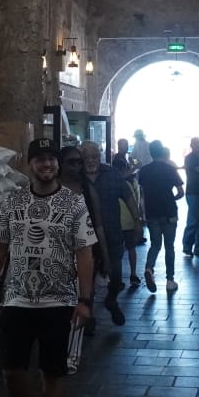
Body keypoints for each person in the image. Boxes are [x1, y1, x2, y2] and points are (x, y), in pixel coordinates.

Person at [0, 139, 97, 397]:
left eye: (51, 159)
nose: (47, 164)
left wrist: (85, 300)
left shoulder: (73, 203)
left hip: (59, 302)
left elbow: (85, 252)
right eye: (40, 159)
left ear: (57, 165)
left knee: (54, 374)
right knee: (11, 371)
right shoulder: (14, 201)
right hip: (17, 299)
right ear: (29, 164)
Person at [83, 144, 136, 326]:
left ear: (100, 157)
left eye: (94, 157)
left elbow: (128, 196)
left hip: (112, 233)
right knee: (86, 279)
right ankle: (88, 316)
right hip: (84, 238)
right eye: (87, 157)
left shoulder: (112, 174)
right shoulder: (77, 177)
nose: (91, 161)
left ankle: (111, 300)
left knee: (116, 276)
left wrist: (137, 221)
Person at [58, 144, 106, 335]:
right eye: (73, 162)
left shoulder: (87, 190)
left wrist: (105, 256)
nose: (78, 166)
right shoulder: (51, 189)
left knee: (85, 286)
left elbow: (98, 225)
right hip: (59, 251)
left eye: (80, 162)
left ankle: (84, 318)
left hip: (85, 249)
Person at [135, 140, 184, 293]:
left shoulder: (144, 171)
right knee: (169, 246)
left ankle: (149, 268)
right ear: (162, 152)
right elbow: (181, 192)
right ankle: (170, 280)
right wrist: (172, 199)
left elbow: (141, 194)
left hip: (151, 212)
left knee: (155, 244)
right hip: (169, 212)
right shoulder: (170, 169)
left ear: (150, 152)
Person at [111, 153, 144, 288]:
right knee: (131, 249)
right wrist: (139, 219)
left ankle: (116, 278)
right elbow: (136, 202)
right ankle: (133, 274)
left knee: (117, 253)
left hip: (116, 222)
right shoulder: (131, 184)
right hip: (130, 221)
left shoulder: (110, 184)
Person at [181, 136, 199, 257]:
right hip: (194, 192)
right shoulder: (189, 158)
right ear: (191, 145)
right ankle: (187, 246)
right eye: (196, 144)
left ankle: (198, 245)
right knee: (193, 220)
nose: (198, 146)